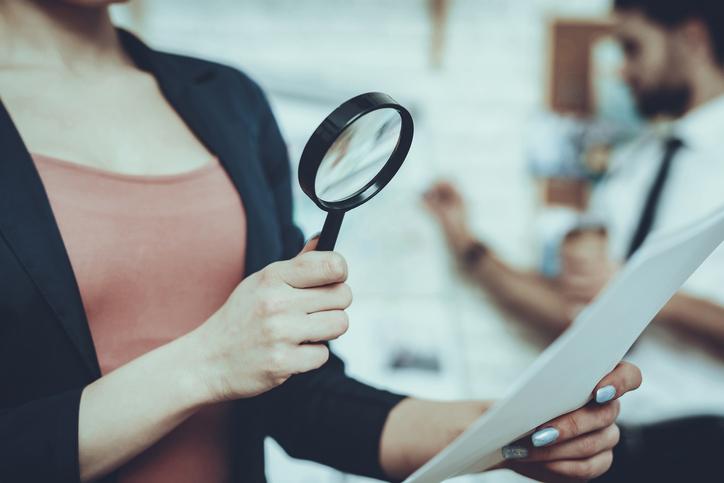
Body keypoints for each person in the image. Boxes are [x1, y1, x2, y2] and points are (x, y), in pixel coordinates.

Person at [0, 1, 642, 482]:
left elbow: (298, 400)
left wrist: (501, 434)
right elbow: (233, 359)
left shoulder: (227, 101)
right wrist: (209, 362)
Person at [425, 0, 724, 481]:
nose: (621, 70)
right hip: (612, 447)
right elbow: (578, 314)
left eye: (631, 47)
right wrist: (468, 245)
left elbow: (620, 290)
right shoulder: (634, 167)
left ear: (691, 38)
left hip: (707, 447)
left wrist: (639, 288)